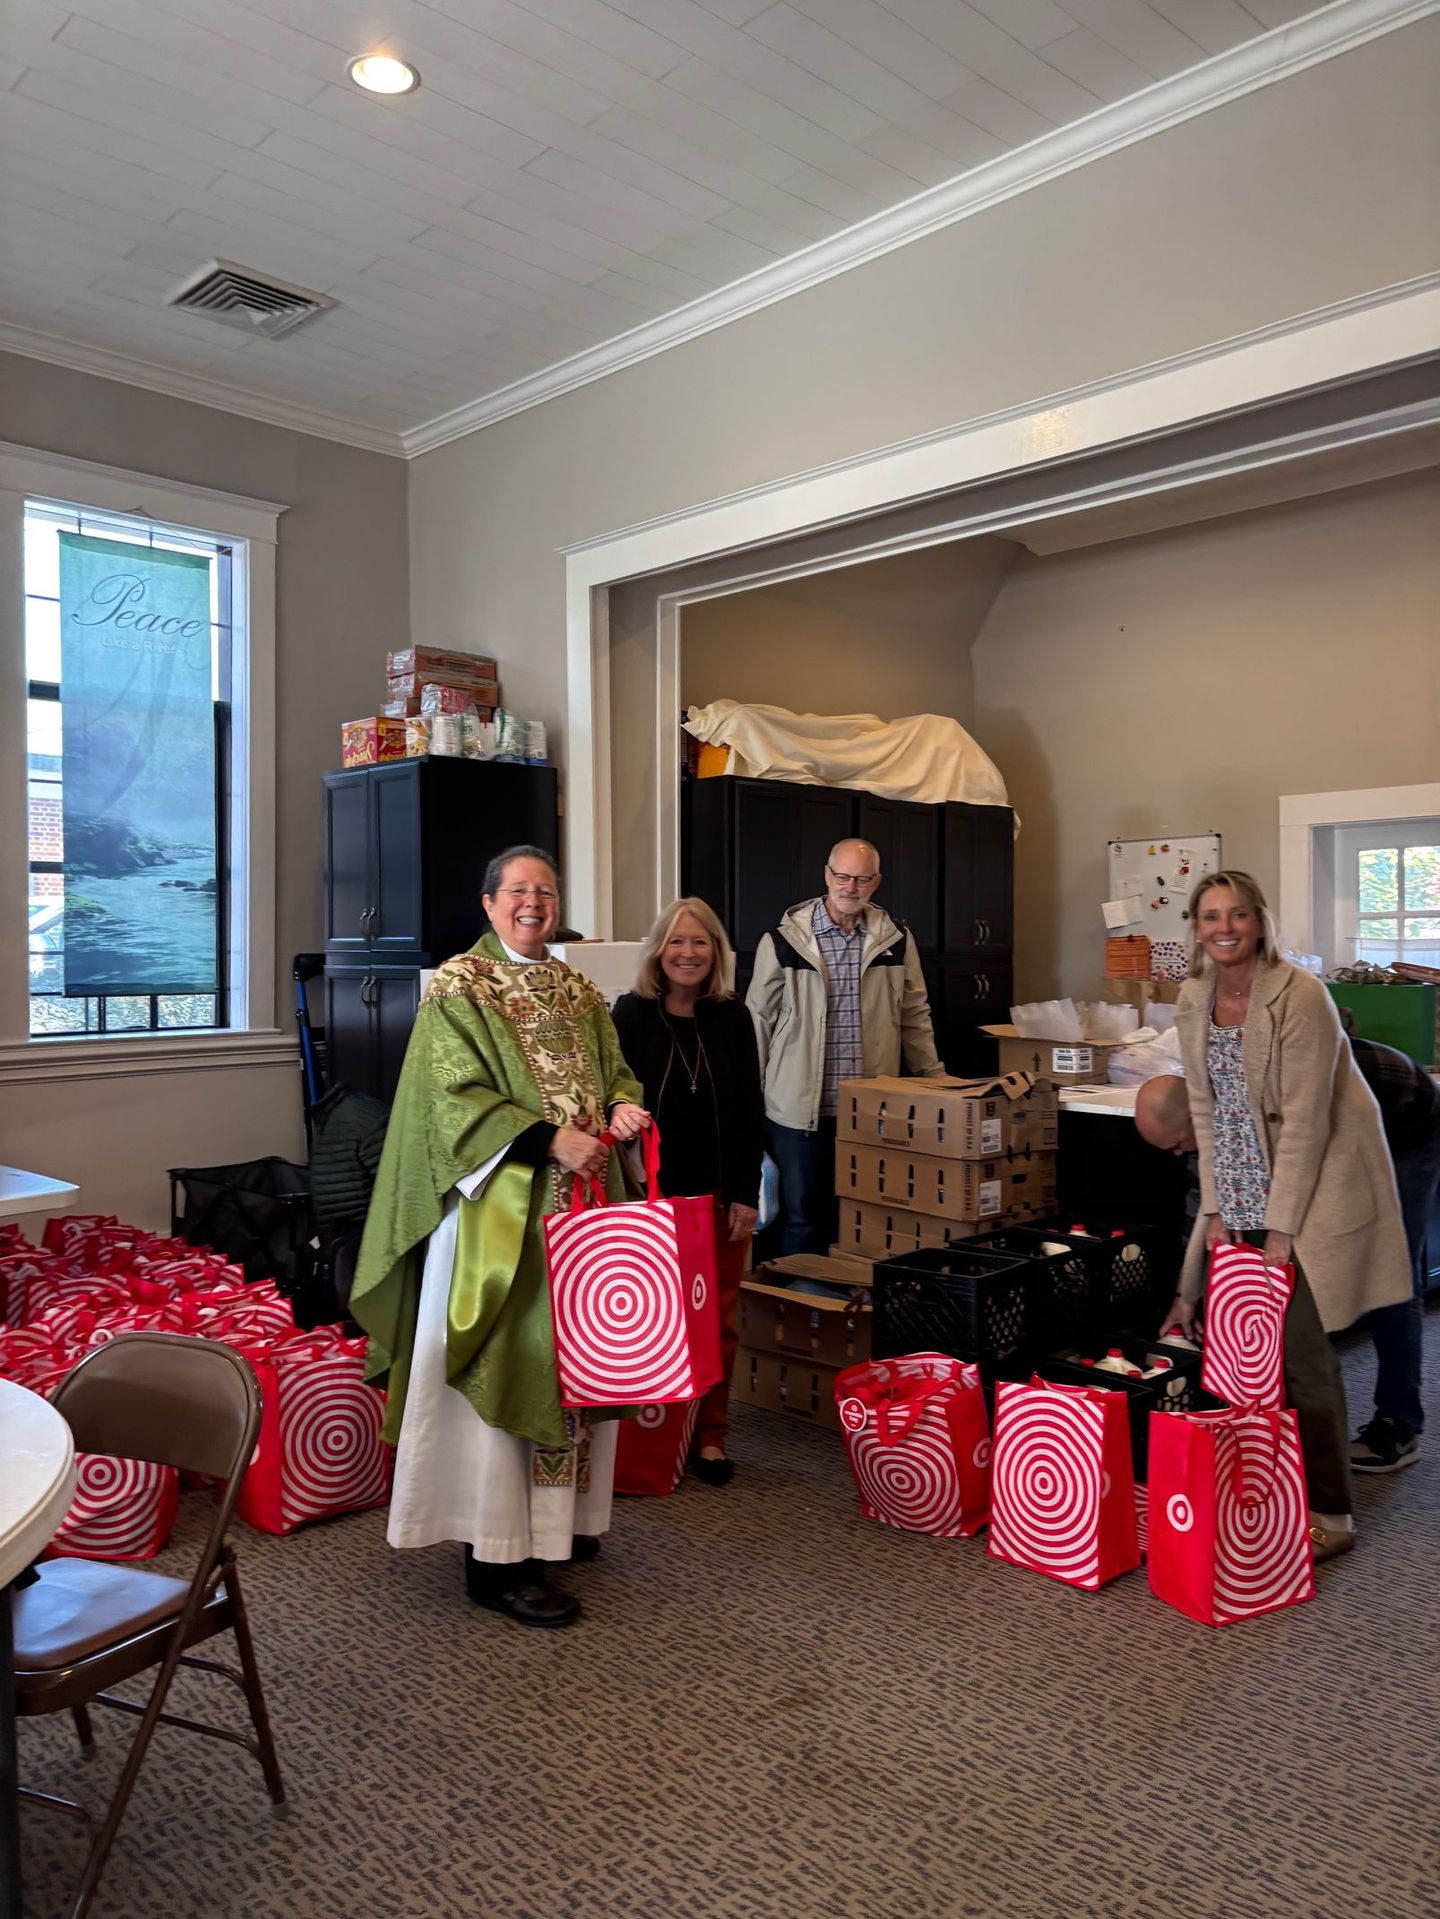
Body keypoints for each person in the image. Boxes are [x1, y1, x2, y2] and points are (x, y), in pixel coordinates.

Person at [350, 846, 651, 1629]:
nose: (532, 902)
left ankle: (559, 1529)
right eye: (517, 890)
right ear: (487, 903)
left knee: (579, 1366)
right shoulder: (458, 988)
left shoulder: (578, 988)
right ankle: (497, 1557)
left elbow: (616, 1071)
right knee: (513, 1359)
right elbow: (447, 1100)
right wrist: (549, 1139)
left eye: (545, 891)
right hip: (501, 1215)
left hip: (584, 1213)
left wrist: (621, 1108)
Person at [1159, 869, 1412, 1563]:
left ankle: (1332, 1510)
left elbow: (1303, 1122)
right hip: (1241, 1179)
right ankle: (1271, 1487)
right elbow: (1208, 1113)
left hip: (1316, 1182)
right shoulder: (1192, 997)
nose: (1225, 927)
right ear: (1196, 926)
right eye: (1211, 916)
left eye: (1238, 913)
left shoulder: (1302, 996)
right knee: (1245, 1351)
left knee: (1302, 1351)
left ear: (1260, 921)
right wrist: (1216, 1210)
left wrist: (1281, 1228)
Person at [1137, 1025, 1439, 1474]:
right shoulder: (1209, 1118)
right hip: (1335, 1127)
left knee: (1391, 1278)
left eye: (1178, 1144)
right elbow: (1202, 1209)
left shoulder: (1264, 1105)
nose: (1179, 1155)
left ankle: (1399, 1425)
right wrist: (1188, 1296)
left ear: (1195, 1120)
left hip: (1406, 1122)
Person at [611, 899, 764, 1487]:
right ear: (659, 951)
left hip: (719, 1199)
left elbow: (751, 1112)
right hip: (651, 1200)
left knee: (717, 1324)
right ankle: (648, 1436)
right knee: (651, 1322)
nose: (689, 954)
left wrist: (747, 1195)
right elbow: (611, 1098)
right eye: (677, 942)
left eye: (701, 943)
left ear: (715, 954)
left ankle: (710, 1435)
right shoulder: (630, 1015)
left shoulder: (732, 1017)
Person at [746, 838, 944, 1256]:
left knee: (862, 1214)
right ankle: (798, 1310)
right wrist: (748, 1096)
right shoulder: (784, 940)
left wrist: (935, 1080)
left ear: (876, 882)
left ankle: (845, 1310)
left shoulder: (895, 940)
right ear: (826, 876)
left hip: (869, 1110)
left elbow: (914, 1014)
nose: (850, 887)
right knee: (800, 1216)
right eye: (842, 877)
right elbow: (757, 1021)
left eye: (861, 879)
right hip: (798, 1108)